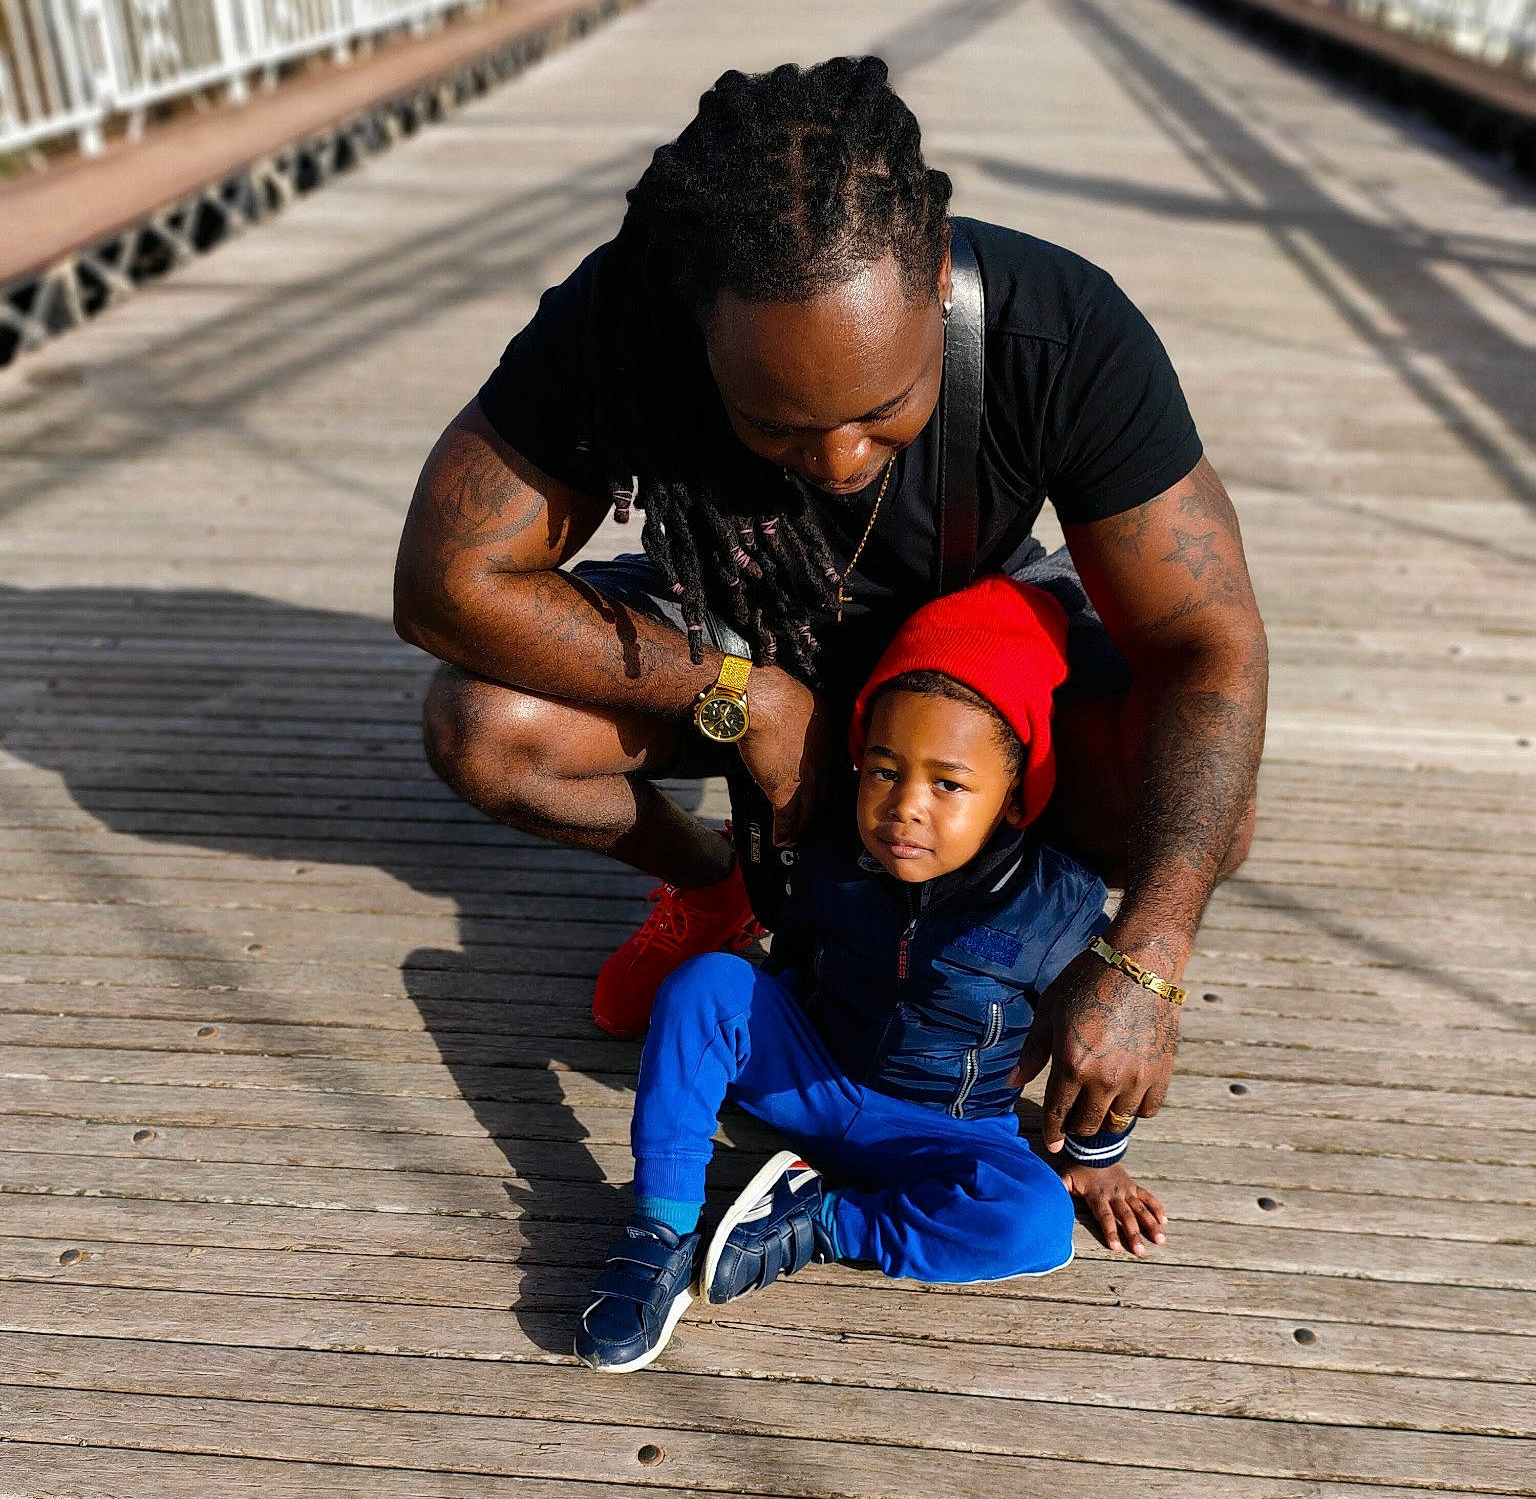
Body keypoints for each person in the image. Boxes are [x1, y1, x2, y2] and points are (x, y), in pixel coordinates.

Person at [393, 56, 1267, 1163]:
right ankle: (716, 888)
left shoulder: (1059, 328)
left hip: (959, 656)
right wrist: (741, 694)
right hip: (732, 624)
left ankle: (985, 907)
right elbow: (444, 581)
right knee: (486, 728)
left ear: (936, 276)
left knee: (1200, 807)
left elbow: (1208, 642)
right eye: (776, 425)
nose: (841, 459)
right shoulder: (625, 320)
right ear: (701, 328)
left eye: (884, 406)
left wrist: (1149, 956)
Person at [575, 577, 1170, 1372]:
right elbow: (793, 956)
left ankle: (815, 1222)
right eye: (885, 771)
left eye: (948, 784)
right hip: (811, 1082)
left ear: (1015, 795)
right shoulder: (830, 854)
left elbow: (1100, 1046)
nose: (905, 807)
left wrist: (1095, 1162)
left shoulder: (1054, 906)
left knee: (1034, 1224)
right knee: (706, 985)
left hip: (944, 1132)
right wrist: (740, 1029)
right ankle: (661, 1230)